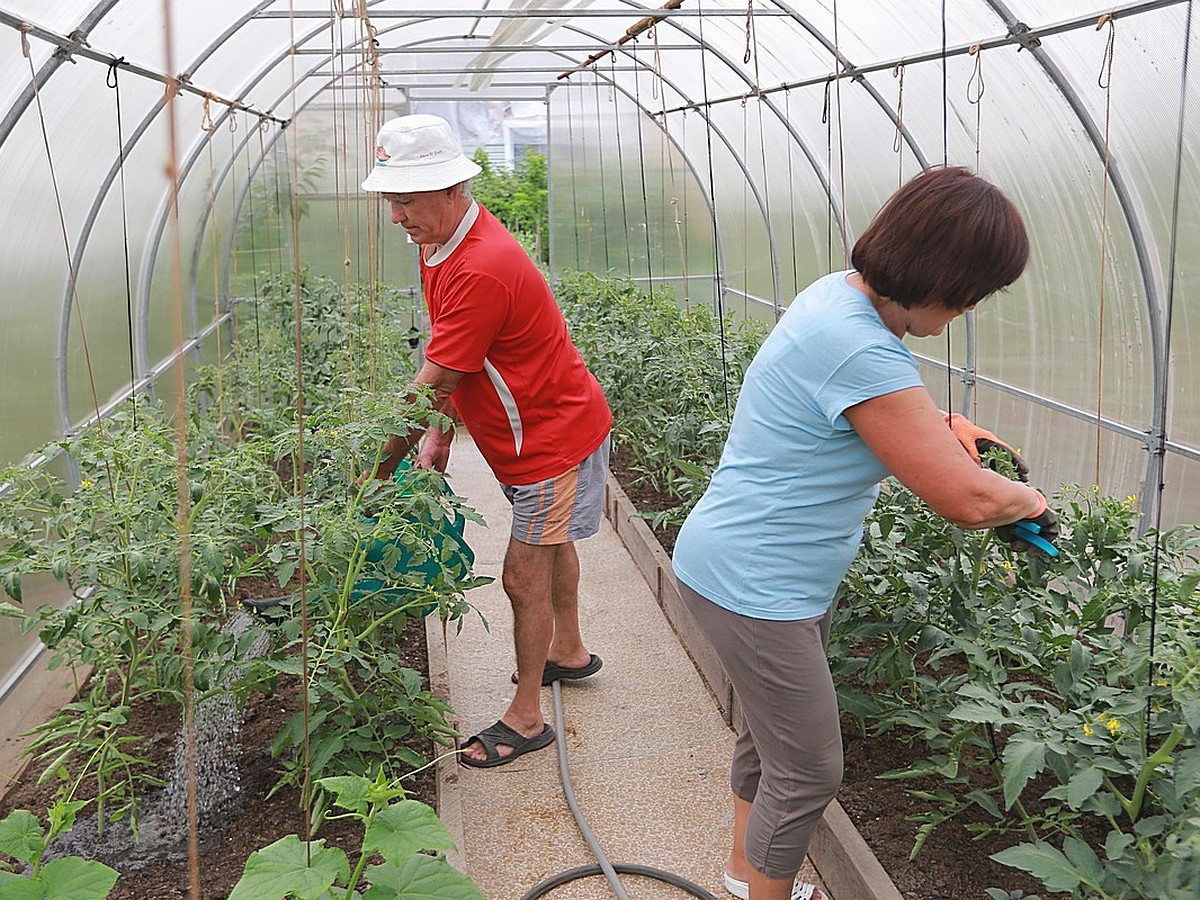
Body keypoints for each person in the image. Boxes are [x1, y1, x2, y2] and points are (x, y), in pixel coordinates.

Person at [670, 166, 1058, 900]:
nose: (971, 306)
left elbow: (867, 410)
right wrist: (1029, 500)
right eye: (972, 289)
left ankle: (741, 875)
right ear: (941, 273)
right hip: (756, 585)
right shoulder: (858, 346)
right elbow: (966, 500)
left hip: (757, 571)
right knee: (809, 768)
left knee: (770, 739)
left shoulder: (840, 297)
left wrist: (946, 427)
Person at [361, 114, 612, 768]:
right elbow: (454, 354)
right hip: (532, 431)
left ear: (450, 189)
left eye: (405, 201)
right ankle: (568, 652)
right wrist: (444, 430)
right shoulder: (440, 242)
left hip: (549, 441)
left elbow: (427, 382)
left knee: (521, 573)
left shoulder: (480, 266)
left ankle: (527, 719)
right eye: (391, 201)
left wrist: (378, 471)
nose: (396, 217)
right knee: (550, 545)